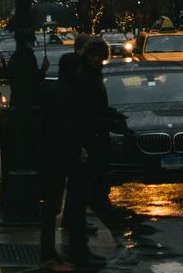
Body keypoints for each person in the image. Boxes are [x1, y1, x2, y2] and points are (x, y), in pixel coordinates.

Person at [63, 38, 127, 266]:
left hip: (88, 141)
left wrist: (112, 115)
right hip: (86, 143)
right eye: (95, 56)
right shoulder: (85, 78)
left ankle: (78, 247)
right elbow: (83, 114)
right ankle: (80, 252)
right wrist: (108, 121)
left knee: (79, 196)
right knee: (81, 196)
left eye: (101, 57)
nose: (98, 61)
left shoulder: (88, 75)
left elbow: (94, 108)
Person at [37, 74, 85, 271]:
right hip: (55, 164)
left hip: (47, 161)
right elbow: (66, 134)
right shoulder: (63, 110)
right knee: (51, 207)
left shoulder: (46, 115)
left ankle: (48, 252)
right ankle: (47, 254)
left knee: (50, 207)